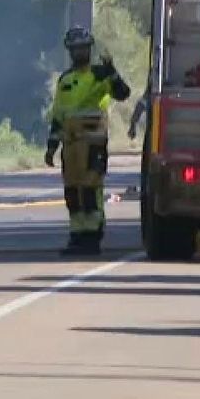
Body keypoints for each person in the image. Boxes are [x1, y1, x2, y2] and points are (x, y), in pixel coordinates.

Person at [45, 26, 131, 256]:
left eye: (83, 48)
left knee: (91, 189)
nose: (79, 52)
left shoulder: (100, 75)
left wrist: (113, 73)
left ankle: (92, 237)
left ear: (89, 49)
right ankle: (77, 236)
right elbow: (59, 116)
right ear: (69, 51)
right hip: (71, 146)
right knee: (72, 190)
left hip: (93, 145)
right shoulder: (65, 80)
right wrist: (51, 146)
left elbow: (123, 93)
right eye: (75, 49)